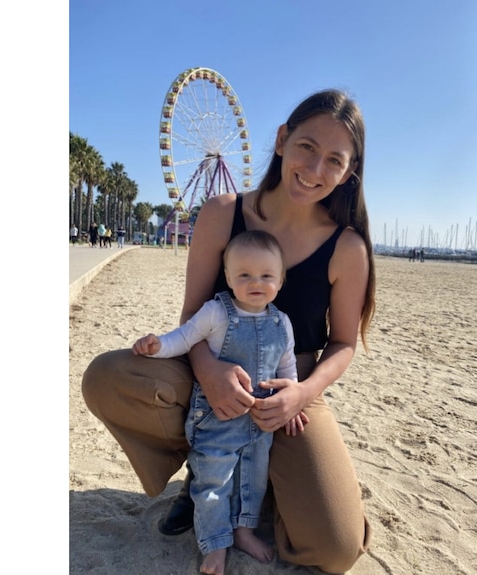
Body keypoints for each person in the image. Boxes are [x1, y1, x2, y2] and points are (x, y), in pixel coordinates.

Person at [82, 88, 376, 574]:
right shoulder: (222, 213)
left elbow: (342, 343)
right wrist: (210, 371)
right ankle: (203, 471)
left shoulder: (347, 248)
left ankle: (264, 492)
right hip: (208, 367)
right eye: (306, 147)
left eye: (334, 160)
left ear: (349, 172)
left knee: (336, 548)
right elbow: (191, 316)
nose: (315, 169)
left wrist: (302, 394)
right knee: (109, 376)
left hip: (288, 391)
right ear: (282, 140)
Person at [134, 230, 306, 574]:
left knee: (252, 481)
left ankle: (242, 531)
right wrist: (158, 346)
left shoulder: (281, 323)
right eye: (244, 275)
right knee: (213, 483)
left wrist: (293, 400)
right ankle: (216, 543)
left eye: (266, 276)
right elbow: (183, 338)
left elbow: (287, 367)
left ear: (281, 280)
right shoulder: (216, 313)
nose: (255, 282)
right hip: (216, 421)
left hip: (260, 426)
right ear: (228, 277)